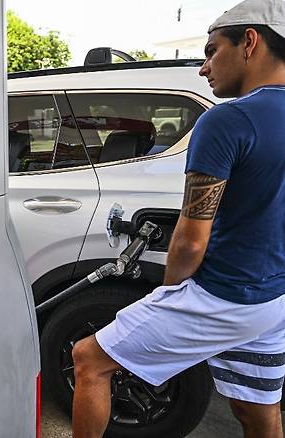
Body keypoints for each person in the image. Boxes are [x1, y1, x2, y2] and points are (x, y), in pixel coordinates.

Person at [71, 0, 285, 437]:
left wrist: (169, 296)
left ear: (249, 42)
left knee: (88, 360)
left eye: (211, 51)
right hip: (273, 300)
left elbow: (190, 241)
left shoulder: (228, 119)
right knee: (255, 409)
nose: (204, 68)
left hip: (221, 295)